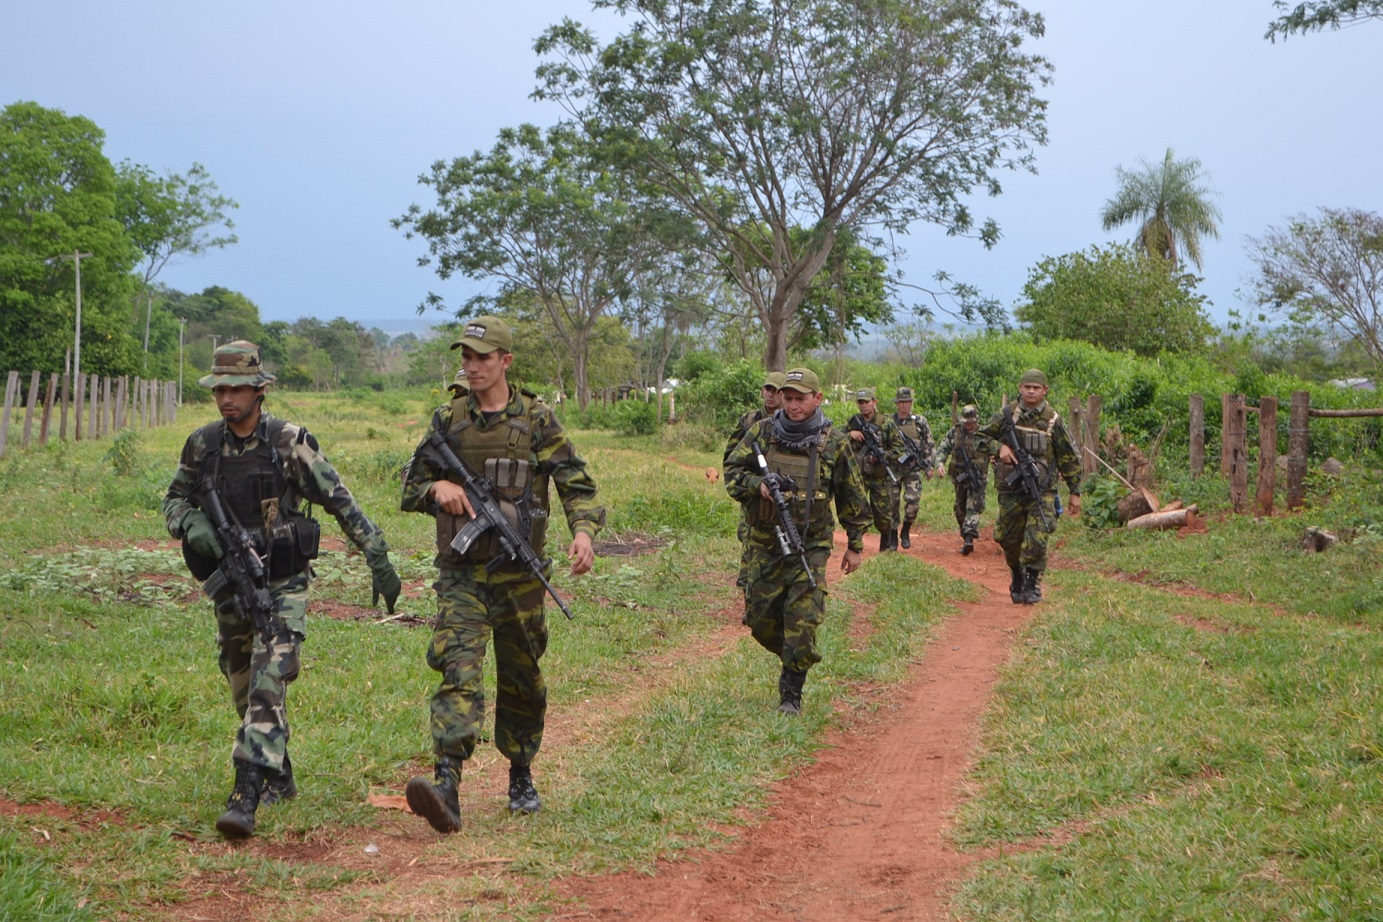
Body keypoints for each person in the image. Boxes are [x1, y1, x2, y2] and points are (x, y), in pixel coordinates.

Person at [162, 340, 401, 839]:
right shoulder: (202, 445)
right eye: (220, 389)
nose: (227, 398)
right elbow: (173, 501)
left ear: (261, 389)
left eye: (238, 388)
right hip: (229, 583)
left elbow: (340, 501)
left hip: (283, 580)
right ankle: (280, 773)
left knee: (270, 679)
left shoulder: (289, 443)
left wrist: (376, 555)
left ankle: (245, 795)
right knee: (242, 683)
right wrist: (190, 524)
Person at [400, 316, 604, 833]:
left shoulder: (537, 419)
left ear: (505, 362)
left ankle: (520, 773)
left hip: (520, 575)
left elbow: (574, 480)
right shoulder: (448, 419)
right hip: (462, 574)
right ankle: (446, 781)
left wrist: (583, 533)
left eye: (481, 357)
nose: (470, 366)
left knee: (522, 676)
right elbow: (410, 483)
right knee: (459, 669)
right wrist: (435, 491)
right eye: (465, 357)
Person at [724, 368, 868, 715]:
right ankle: (791, 654)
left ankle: (791, 691)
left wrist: (855, 543)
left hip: (810, 545)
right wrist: (756, 486)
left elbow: (852, 495)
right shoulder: (763, 431)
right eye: (787, 398)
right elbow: (732, 472)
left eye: (799, 398)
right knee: (759, 621)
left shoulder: (833, 441)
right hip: (764, 542)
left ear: (817, 398)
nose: (791, 405)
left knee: (802, 622)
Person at [976, 369, 1082, 604]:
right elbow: (978, 438)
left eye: (1036, 387)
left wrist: (1075, 491)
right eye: (1027, 387)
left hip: (1041, 490)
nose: (1031, 391)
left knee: (1037, 537)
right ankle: (1017, 574)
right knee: (1008, 538)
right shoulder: (1007, 415)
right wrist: (999, 448)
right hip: (1011, 490)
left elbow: (1068, 457)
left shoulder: (1053, 420)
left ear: (1045, 390)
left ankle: (1033, 583)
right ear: (1020, 388)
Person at [726, 371, 786, 591]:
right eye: (767, 389)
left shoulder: (791, 422)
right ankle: (749, 594)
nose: (771, 395)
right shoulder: (750, 420)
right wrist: (749, 483)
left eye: (776, 391)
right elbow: (731, 458)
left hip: (782, 492)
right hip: (754, 491)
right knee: (749, 539)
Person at [934, 404, 996, 556]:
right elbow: (943, 449)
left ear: (977, 421)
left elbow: (997, 451)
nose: (969, 425)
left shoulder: (984, 435)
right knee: (959, 509)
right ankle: (965, 534)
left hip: (978, 477)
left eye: (972, 422)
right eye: (966, 422)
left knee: (973, 506)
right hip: (959, 476)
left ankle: (969, 537)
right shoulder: (955, 433)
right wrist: (940, 463)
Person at [846, 387, 901, 551]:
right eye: (860, 402)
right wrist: (851, 434)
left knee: (882, 515)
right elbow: (838, 438)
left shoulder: (886, 423)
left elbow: (900, 449)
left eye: (867, 402)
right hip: (859, 475)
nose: (863, 406)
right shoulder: (853, 421)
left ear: (874, 402)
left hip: (879, 477)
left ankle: (886, 543)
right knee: (856, 510)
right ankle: (855, 546)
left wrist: (883, 455)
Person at [889, 387, 934, 549]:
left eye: (907, 402)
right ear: (897, 404)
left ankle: (906, 530)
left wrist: (929, 466)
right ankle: (892, 534)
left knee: (913, 503)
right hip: (893, 469)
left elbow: (929, 444)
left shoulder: (919, 422)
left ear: (911, 403)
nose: (904, 406)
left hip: (913, 469)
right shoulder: (890, 422)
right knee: (892, 504)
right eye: (901, 402)